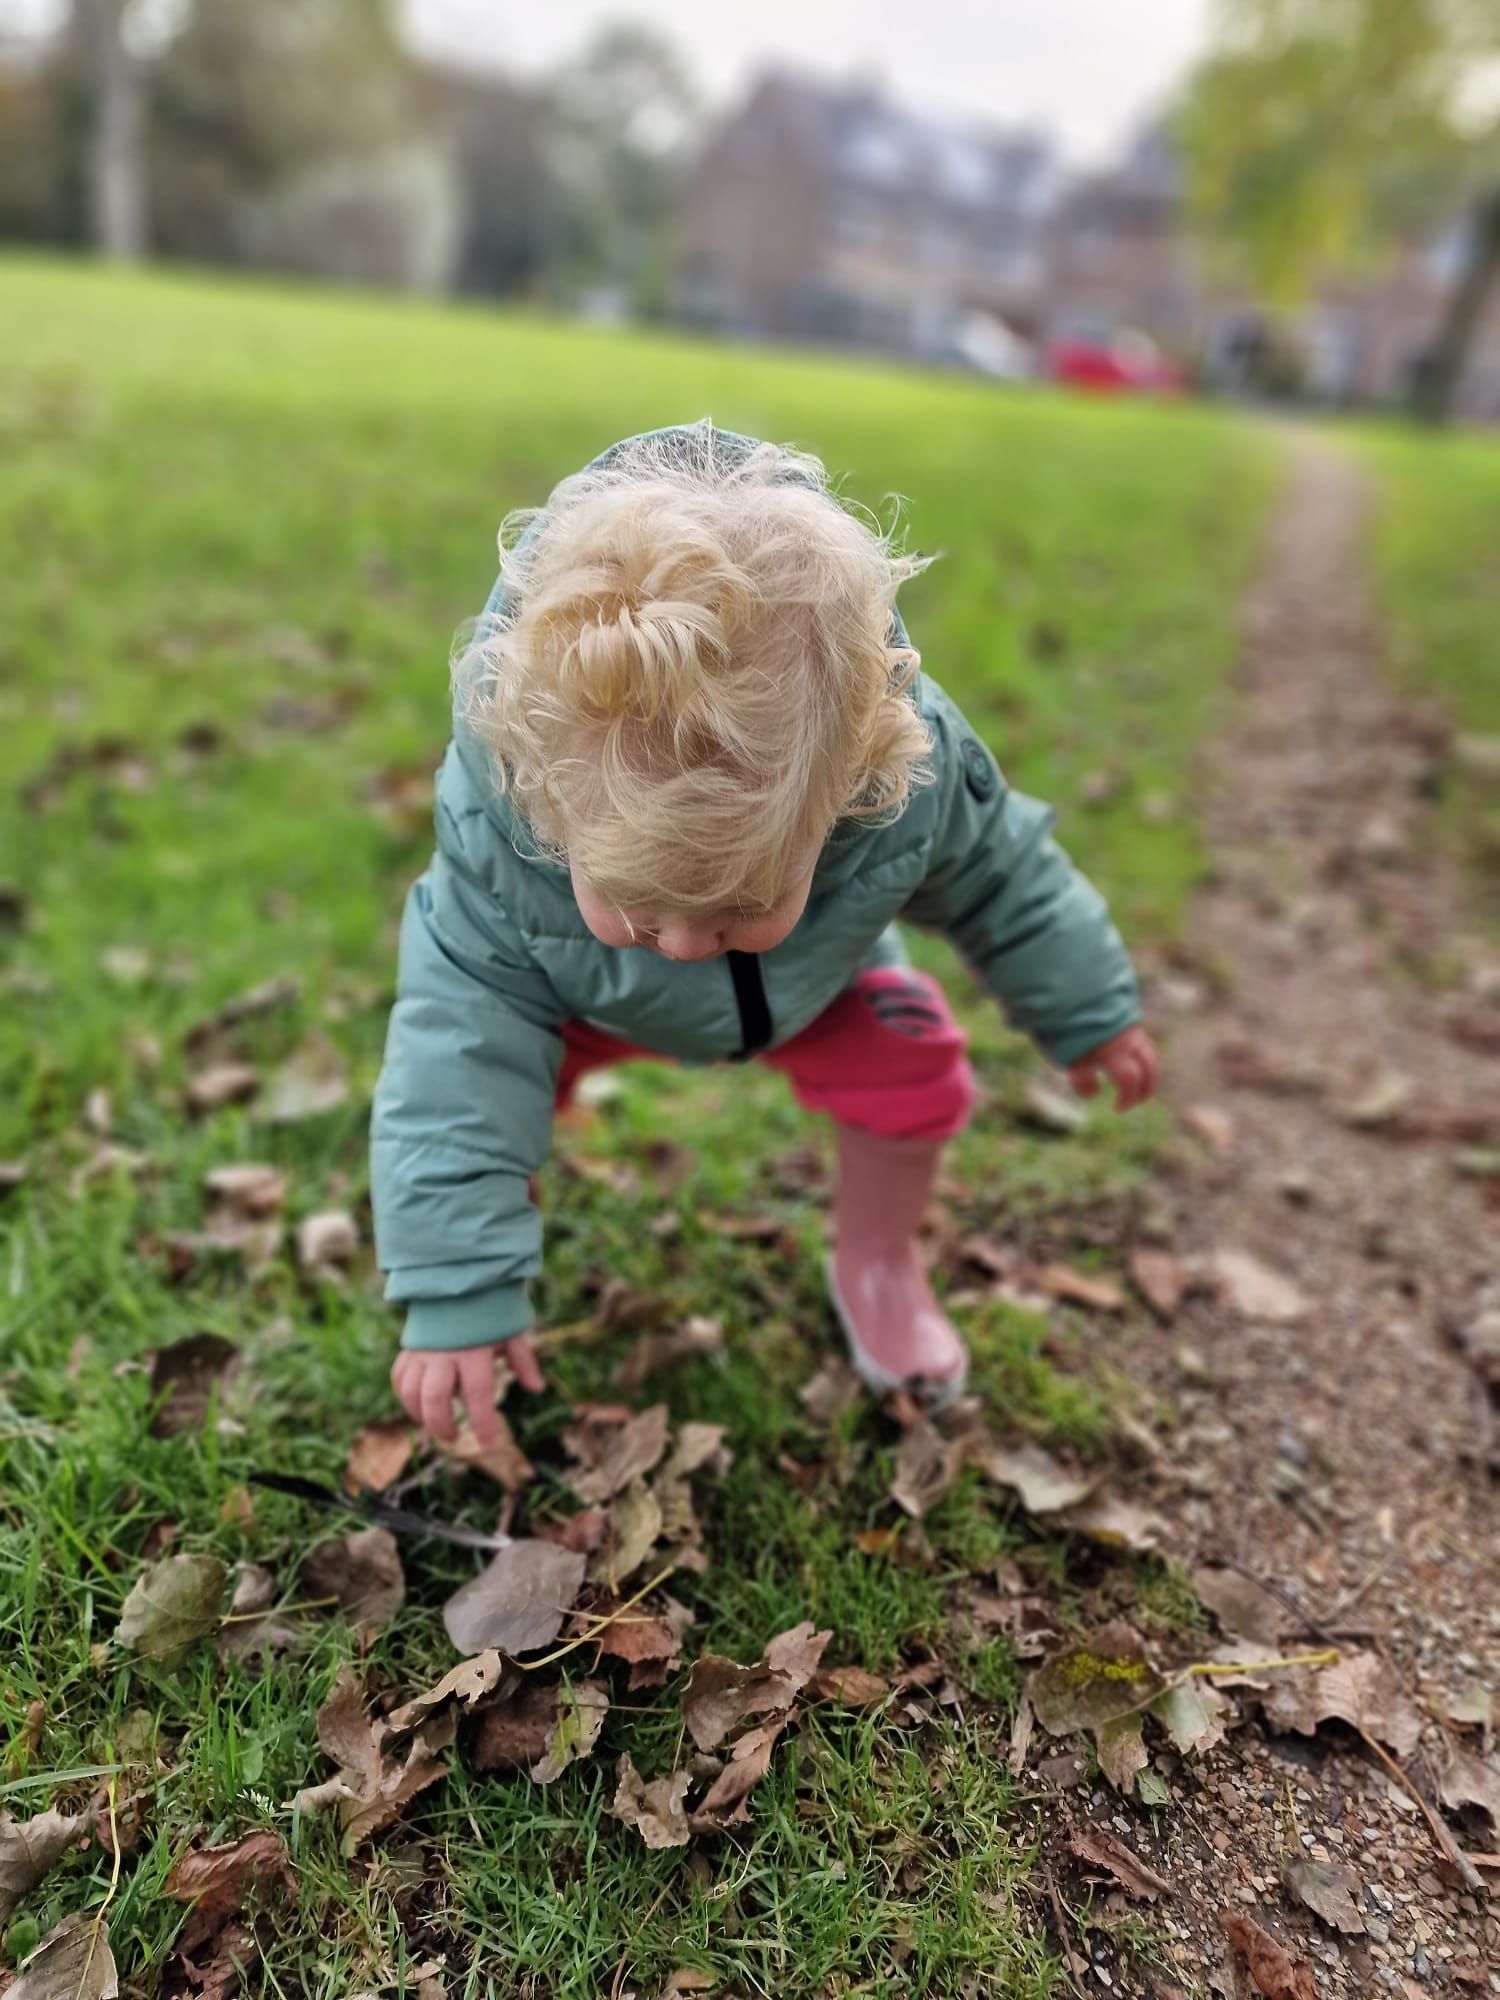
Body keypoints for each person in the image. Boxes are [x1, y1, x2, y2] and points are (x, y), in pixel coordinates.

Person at [373, 423, 1158, 1445]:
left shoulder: (904, 775)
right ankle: (488, 1267)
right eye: (641, 904)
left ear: (846, 792)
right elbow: (455, 1056)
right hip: (571, 995)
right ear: (549, 808)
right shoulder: (500, 828)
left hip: (811, 985)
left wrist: (1088, 1005)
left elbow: (1005, 875)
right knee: (494, 1092)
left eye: (741, 903)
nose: (686, 942)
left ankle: (879, 1259)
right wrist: (455, 1290)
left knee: (913, 1059)